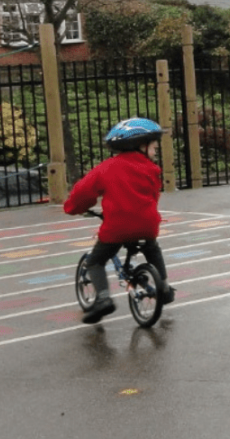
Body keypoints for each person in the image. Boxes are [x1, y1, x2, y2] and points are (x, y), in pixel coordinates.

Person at [63, 117, 175, 324]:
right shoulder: (152, 170)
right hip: (148, 224)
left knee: (95, 261)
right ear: (140, 145)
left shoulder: (107, 168)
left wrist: (73, 208)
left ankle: (103, 299)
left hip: (117, 227)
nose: (156, 150)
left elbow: (82, 193)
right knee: (152, 248)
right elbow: (152, 196)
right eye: (153, 146)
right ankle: (165, 288)